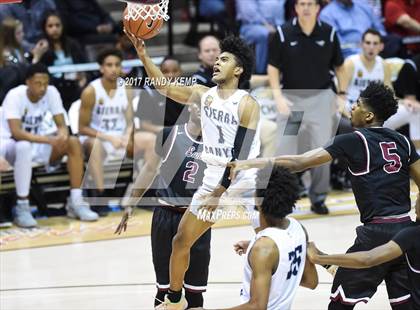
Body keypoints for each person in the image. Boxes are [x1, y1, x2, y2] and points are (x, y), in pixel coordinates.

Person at [229, 82, 420, 310]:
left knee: (339, 304)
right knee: (405, 305)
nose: (351, 108)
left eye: (357, 105)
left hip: (375, 233)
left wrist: (249, 163)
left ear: (368, 115)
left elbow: (299, 162)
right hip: (406, 230)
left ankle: (329, 263)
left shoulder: (351, 140)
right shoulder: (403, 142)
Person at [125, 31, 260, 309]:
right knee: (180, 241)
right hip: (214, 176)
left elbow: (240, 154)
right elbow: (163, 86)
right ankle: (175, 299)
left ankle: (320, 260)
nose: (217, 63)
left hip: (243, 176)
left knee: (275, 231)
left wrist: (219, 192)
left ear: (238, 69)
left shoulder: (247, 103)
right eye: (216, 59)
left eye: (224, 59)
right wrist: (143, 54)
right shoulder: (203, 94)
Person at [116, 103, 210, 309]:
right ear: (190, 106)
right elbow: (149, 170)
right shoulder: (168, 134)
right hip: (166, 216)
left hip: (196, 218)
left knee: (195, 292)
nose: (203, 107)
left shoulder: (219, 142)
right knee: (165, 288)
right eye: (199, 102)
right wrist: (131, 203)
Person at [268, 0, 346, 214]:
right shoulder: (283, 33)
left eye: (310, 3)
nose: (306, 7)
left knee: (322, 152)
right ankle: (279, 202)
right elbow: (273, 68)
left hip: (321, 100)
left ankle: (318, 198)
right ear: (295, 8)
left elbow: (340, 66)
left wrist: (341, 94)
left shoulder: (329, 33)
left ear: (317, 8)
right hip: (293, 103)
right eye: (302, 3)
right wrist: (278, 97)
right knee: (285, 150)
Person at [0, 63, 98, 228]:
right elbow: (16, 133)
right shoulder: (15, 96)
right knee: (23, 145)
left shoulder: (51, 92)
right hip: (10, 146)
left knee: (72, 142)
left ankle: (76, 201)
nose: (43, 87)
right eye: (38, 83)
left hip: (37, 145)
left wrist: (62, 135)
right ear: (28, 82)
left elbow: (61, 124)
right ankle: (22, 207)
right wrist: (49, 140)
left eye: (46, 83)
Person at [223, 166, 318, 309]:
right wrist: (258, 248)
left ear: (258, 200)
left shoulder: (263, 248)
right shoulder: (298, 229)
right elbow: (311, 281)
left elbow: (257, 307)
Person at [79, 48, 155, 214]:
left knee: (151, 139)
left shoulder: (125, 87)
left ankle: (141, 193)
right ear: (101, 68)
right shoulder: (90, 91)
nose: (113, 68)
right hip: (98, 138)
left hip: (121, 138)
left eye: (117, 65)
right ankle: (100, 196)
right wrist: (108, 137)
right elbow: (82, 128)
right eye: (109, 65)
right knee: (95, 144)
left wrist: (128, 133)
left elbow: (130, 120)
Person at [307, 224, 420, 309]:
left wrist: (318, 258)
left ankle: (336, 268)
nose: (415, 202)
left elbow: (368, 259)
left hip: (376, 232)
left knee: (339, 305)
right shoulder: (411, 233)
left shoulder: (412, 235)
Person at [40, 12, 87, 111]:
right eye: (50, 26)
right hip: (54, 88)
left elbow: (84, 65)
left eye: (57, 25)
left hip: (74, 86)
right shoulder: (42, 47)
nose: (54, 29)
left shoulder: (73, 44)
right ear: (45, 28)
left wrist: (83, 77)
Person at [341, 29, 392, 112]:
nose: (371, 47)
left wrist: (405, 102)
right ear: (361, 44)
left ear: (381, 46)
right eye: (368, 43)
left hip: (376, 110)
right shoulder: (350, 63)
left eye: (375, 43)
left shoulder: (384, 65)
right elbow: (339, 94)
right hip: (352, 107)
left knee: (414, 110)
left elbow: (390, 95)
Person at [138, 56, 190, 135]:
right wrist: (171, 131)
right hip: (160, 135)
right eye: (165, 71)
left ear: (181, 72)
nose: (170, 75)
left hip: (185, 134)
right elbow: (145, 125)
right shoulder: (149, 91)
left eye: (175, 71)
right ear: (159, 72)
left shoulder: (189, 90)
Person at [319, 0, 387, 58]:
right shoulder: (327, 14)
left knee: (394, 42)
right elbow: (338, 45)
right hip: (351, 56)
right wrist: (365, 50)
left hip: (376, 48)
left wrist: (376, 46)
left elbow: (380, 29)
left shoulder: (363, 5)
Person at [236, 0, 287, 74]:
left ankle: (284, 72)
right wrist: (265, 24)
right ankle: (260, 72)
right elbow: (248, 13)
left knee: (288, 33)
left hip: (276, 25)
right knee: (265, 34)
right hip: (251, 25)